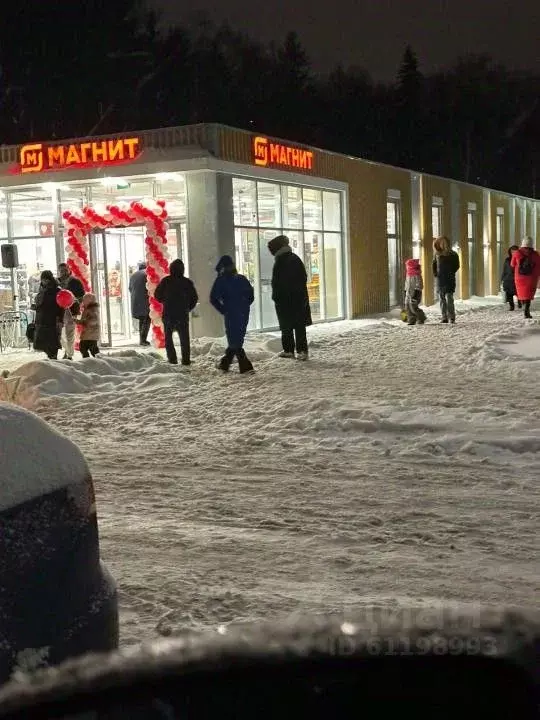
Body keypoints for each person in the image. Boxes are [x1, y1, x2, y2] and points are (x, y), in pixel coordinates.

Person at [267, 235, 312, 360]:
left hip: (289, 300)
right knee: (295, 325)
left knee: (290, 326)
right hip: (293, 299)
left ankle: (294, 350)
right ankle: (296, 350)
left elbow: (283, 282)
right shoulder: (291, 259)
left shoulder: (284, 260)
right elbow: (301, 278)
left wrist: (281, 295)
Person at [210, 255, 255, 374]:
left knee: (234, 339)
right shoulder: (241, 278)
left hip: (230, 312)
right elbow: (251, 296)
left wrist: (223, 309)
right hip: (243, 312)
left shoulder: (221, 281)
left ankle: (244, 366)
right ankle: (227, 363)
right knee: (238, 338)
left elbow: (213, 298)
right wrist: (244, 305)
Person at [154, 259, 198, 365]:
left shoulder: (166, 281)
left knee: (168, 338)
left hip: (168, 314)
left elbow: (157, 295)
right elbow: (194, 298)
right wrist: (188, 308)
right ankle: (185, 360)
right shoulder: (187, 282)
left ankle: (172, 359)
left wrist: (165, 301)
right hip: (182, 315)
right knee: (184, 339)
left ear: (171, 269)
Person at [32, 270, 64, 360]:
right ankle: (52, 358)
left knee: (52, 343)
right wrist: (36, 307)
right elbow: (41, 304)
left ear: (50, 279)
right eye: (43, 279)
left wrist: (60, 319)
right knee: (45, 343)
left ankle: (53, 359)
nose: (44, 281)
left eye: (46, 279)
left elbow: (60, 306)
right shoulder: (42, 289)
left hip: (52, 320)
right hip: (42, 320)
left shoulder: (56, 290)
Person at [58, 263, 84, 360]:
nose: (63, 272)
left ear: (69, 270)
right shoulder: (57, 283)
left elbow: (82, 296)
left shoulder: (76, 282)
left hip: (72, 311)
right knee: (60, 334)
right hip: (60, 312)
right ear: (58, 272)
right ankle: (67, 351)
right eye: (61, 271)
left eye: (65, 270)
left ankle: (69, 355)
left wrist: (75, 300)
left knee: (70, 334)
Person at [510, 236, 540, 319]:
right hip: (531, 278)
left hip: (519, 278)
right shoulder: (535, 254)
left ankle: (522, 302)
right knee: (528, 295)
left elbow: (512, 264)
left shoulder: (517, 253)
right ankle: (526, 310)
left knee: (522, 293)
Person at [432, 236, 460, 324]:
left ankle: (451, 317)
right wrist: (436, 274)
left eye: (444, 243)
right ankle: (444, 317)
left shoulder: (453, 254)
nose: (443, 245)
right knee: (442, 299)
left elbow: (457, 266)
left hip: (449, 279)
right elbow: (434, 265)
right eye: (441, 243)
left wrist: (450, 272)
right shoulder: (437, 254)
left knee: (449, 298)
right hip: (440, 280)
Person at [129, 263, 151, 346]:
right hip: (145, 301)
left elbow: (130, 289)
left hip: (135, 301)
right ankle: (143, 340)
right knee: (147, 320)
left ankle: (141, 339)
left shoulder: (133, 275)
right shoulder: (146, 274)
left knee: (142, 320)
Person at [76, 293, 101, 358]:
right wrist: (76, 321)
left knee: (93, 349)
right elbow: (83, 321)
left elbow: (94, 320)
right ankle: (87, 361)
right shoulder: (86, 309)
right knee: (82, 348)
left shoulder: (93, 309)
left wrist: (86, 322)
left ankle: (99, 360)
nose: (83, 302)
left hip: (92, 334)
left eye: (84, 300)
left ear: (89, 301)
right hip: (87, 333)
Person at [404, 258, 426, 325]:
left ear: (412, 267)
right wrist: (405, 291)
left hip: (415, 293)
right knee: (407, 307)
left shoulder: (417, 275)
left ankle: (421, 317)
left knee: (413, 307)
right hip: (408, 293)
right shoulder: (408, 275)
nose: (407, 268)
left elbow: (419, 284)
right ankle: (411, 320)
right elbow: (406, 283)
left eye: (408, 266)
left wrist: (417, 292)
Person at [501, 245, 522, 311]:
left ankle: (520, 303)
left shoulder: (521, 259)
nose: (513, 253)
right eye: (512, 251)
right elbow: (504, 270)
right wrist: (502, 279)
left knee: (518, 293)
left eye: (515, 251)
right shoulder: (507, 260)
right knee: (509, 294)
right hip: (508, 279)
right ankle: (511, 306)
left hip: (517, 279)